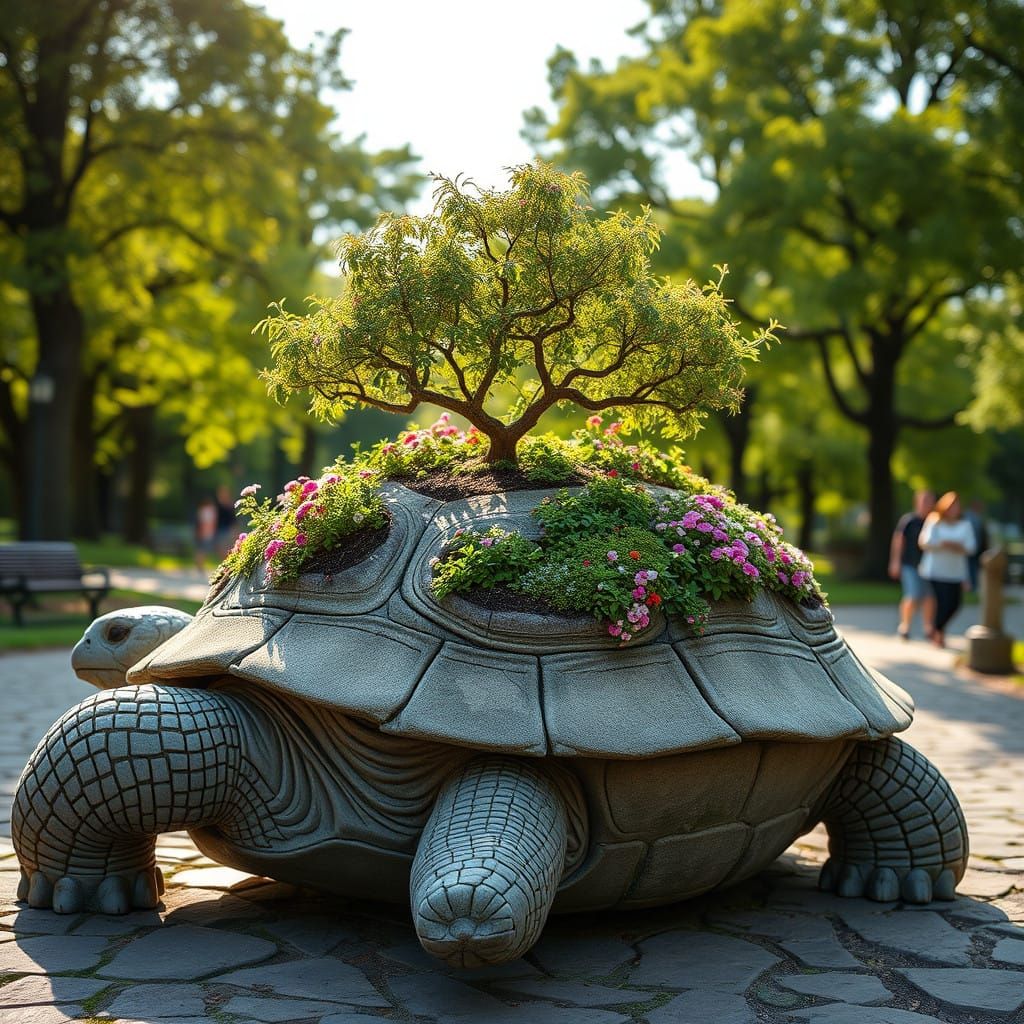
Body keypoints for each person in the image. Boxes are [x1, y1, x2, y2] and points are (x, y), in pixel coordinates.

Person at [918, 491, 977, 648]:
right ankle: (938, 633)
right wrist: (943, 544)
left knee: (954, 604)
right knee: (942, 603)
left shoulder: (965, 525)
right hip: (935, 571)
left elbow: (971, 547)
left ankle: (936, 628)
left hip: (955, 572)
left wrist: (957, 547)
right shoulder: (935, 522)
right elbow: (925, 542)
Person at [888, 489, 936, 641]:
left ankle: (928, 627)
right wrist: (895, 561)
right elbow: (898, 541)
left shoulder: (934, 521)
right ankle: (905, 625)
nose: (926, 504)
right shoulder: (909, 520)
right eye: (924, 501)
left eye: (929, 501)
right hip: (910, 564)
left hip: (929, 566)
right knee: (913, 594)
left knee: (929, 596)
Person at [963, 499, 990, 592]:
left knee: (973, 568)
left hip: (977, 549)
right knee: (970, 568)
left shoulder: (977, 517)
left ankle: (972, 587)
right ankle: (971, 588)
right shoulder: (969, 517)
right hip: (971, 549)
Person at [194, 496, 218, 570]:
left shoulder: (203, 510)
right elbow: (209, 522)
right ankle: (200, 564)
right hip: (207, 532)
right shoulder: (209, 511)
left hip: (204, 532)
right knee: (203, 549)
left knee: (202, 549)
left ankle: (199, 564)